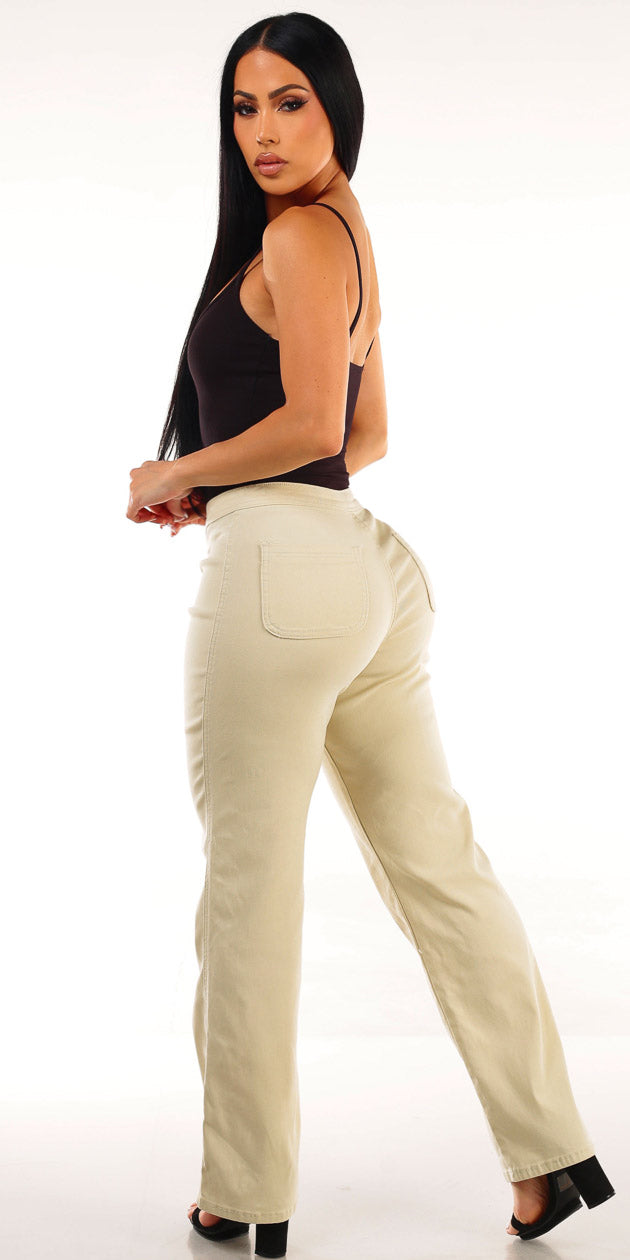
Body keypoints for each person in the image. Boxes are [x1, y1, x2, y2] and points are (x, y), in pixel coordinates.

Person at [127, 13, 615, 1259]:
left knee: (249, 890)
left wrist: (173, 473)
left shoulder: (297, 234)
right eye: (244, 107)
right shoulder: (347, 230)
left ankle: (245, 1191)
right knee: (440, 869)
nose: (264, 131)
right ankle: (551, 1156)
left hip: (282, 579)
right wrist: (224, 481)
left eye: (290, 101)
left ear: (338, 105)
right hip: (365, 577)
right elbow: (365, 435)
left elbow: (309, 428)